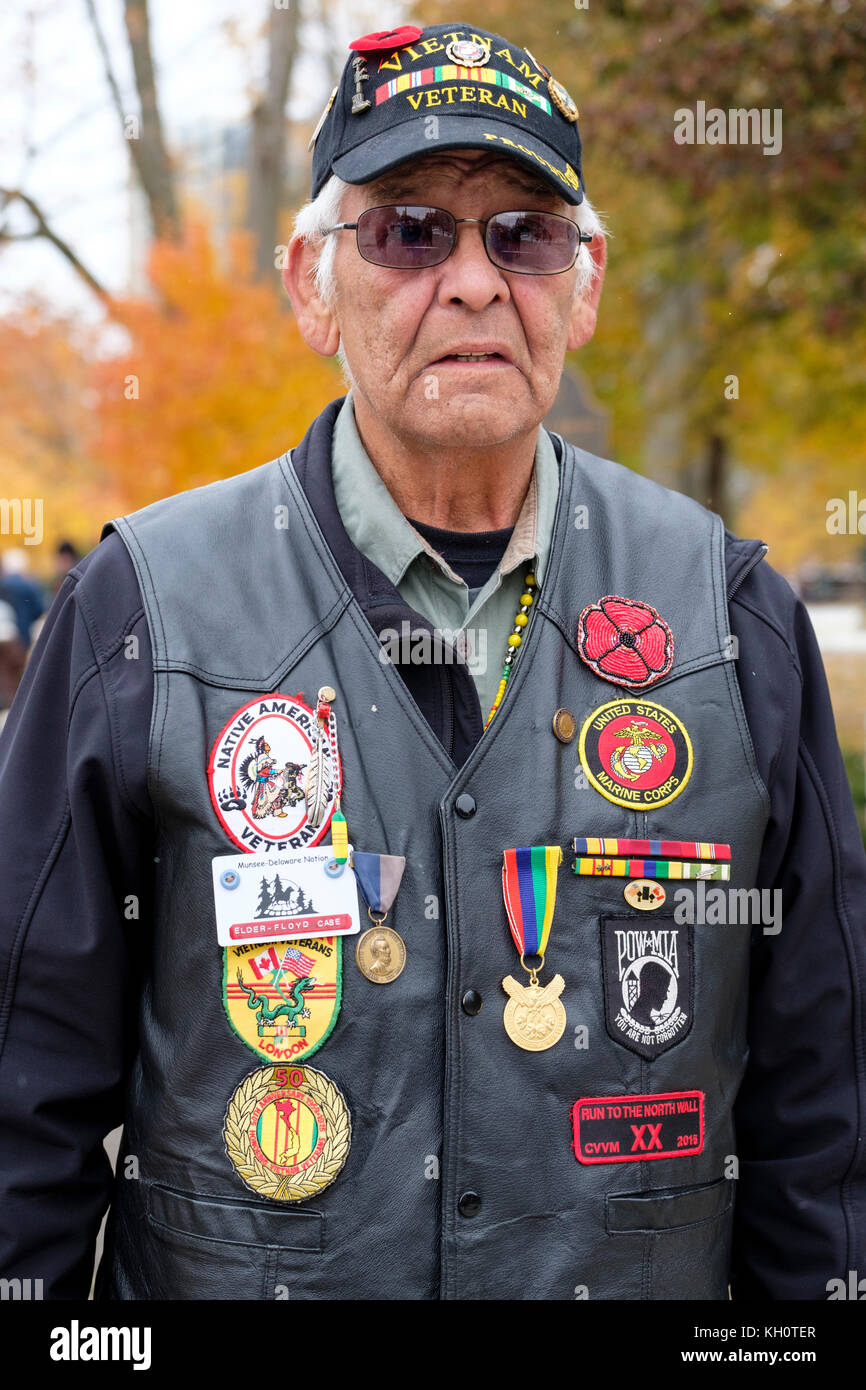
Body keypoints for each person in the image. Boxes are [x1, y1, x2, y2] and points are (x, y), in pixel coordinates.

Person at [0, 21, 864, 1302]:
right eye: (410, 229)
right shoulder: (145, 609)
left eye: (523, 233)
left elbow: (824, 1130)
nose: (472, 282)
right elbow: (24, 1115)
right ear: (309, 282)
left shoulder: (727, 617)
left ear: (584, 283)